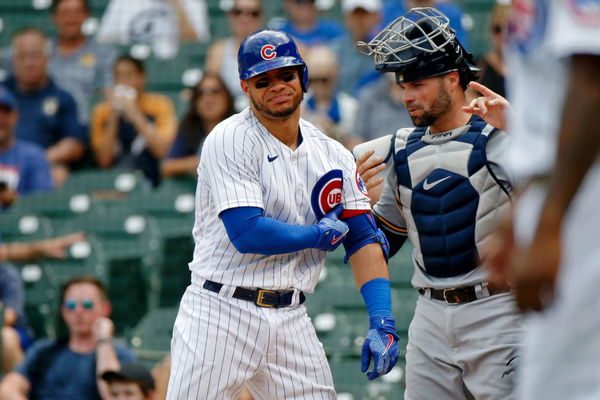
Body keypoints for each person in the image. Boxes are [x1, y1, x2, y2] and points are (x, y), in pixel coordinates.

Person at [166, 29, 400, 399]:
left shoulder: (333, 153)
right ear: (246, 87)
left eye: (285, 75)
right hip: (221, 311)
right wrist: (315, 236)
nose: (277, 86)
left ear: (302, 77)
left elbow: (363, 239)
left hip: (291, 315)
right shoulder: (230, 138)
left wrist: (382, 318)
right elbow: (247, 233)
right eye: (263, 80)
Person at [355, 8, 521, 399]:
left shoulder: (500, 136)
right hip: (430, 316)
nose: (407, 96)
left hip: (497, 310)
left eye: (417, 84)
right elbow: (386, 239)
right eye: (403, 86)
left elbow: (566, 192)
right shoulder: (397, 150)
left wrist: (519, 129)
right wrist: (357, 208)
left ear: (452, 79)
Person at [483, 1, 600, 399]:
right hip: (562, 199)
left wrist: (549, 224)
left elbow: (593, 83)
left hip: (584, 210)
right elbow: (550, 110)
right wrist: (521, 215)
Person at [0, 275, 136, 400]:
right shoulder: (43, 351)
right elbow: (7, 389)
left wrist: (104, 341)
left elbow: (113, 396)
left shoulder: (120, 355)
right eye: (71, 305)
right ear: (63, 311)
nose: (78, 311)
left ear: (105, 309)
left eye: (87, 305)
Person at [2, 28, 86, 187]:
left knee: (58, 174)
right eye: (22, 56)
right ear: (13, 60)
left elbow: (74, 144)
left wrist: (33, 161)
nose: (28, 63)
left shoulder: (63, 98)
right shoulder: (3, 93)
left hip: (42, 165)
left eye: (34, 56)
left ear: (47, 58)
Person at [0, 232, 85, 374]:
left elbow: (9, 317)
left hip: (13, 332)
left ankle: (15, 389)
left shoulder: (7, 275)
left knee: (6, 337)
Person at [91, 55, 177, 186]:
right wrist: (114, 116)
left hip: (150, 176)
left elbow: (163, 151)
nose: (123, 82)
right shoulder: (102, 111)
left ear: (142, 78)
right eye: (118, 76)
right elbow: (104, 161)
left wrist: (134, 113)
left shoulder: (160, 104)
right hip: (113, 178)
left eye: (129, 75)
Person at [48, 0, 118, 123]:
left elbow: (109, 95)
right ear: (54, 17)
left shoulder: (105, 55)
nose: (71, 18)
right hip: (45, 122)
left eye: (77, 12)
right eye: (65, 12)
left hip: (87, 124)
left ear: (87, 15)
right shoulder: (40, 51)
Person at [161, 74, 236, 179]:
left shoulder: (241, 129)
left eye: (215, 92)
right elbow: (166, 167)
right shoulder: (188, 128)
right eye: (200, 93)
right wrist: (196, 163)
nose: (207, 99)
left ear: (227, 97)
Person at [96, 0, 210, 60]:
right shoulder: (123, 2)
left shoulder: (194, 3)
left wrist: (177, 4)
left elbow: (194, 45)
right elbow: (105, 42)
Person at [0, 86, 52, 209]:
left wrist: (13, 199)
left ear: (15, 116)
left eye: (5, 112)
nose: (0, 119)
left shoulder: (33, 156)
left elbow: (42, 203)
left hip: (18, 224)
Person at [204, 0, 264, 102]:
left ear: (261, 16)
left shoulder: (275, 48)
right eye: (238, 12)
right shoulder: (218, 51)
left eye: (253, 13)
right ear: (230, 16)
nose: (245, 18)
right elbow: (211, 91)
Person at [302, 45, 358, 146]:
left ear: (335, 76)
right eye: (311, 80)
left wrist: (335, 134)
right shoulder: (299, 106)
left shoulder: (350, 108)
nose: (317, 86)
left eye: (324, 80)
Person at [331, 0, 383, 96]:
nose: (359, 20)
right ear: (346, 18)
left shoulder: (386, 51)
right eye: (355, 15)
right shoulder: (333, 51)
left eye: (364, 14)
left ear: (376, 17)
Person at [348, 72, 413, 147]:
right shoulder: (369, 94)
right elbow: (356, 139)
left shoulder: (420, 96)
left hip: (414, 156)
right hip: (375, 156)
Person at [380, 0, 469, 48]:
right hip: (390, 73)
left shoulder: (451, 12)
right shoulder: (389, 8)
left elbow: (458, 49)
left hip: (435, 71)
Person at [272, 0, 345, 47]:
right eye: (299, 2)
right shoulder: (280, 34)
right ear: (288, 4)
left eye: (310, 1)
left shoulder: (332, 29)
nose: (306, 5)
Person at [475, 2, 509, 98]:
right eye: (498, 29)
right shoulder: (480, 64)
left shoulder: (531, 66)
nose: (503, 35)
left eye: (509, 29)